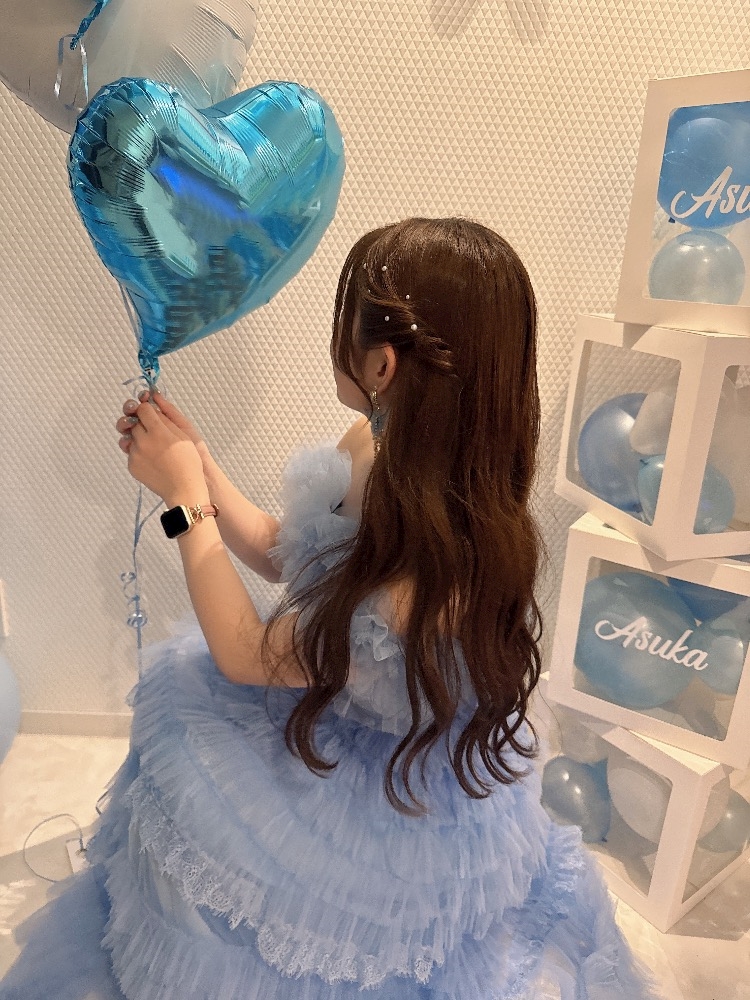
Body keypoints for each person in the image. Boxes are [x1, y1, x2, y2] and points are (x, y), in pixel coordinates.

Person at [0, 217, 658, 999]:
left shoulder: (419, 589)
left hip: (380, 797)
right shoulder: (379, 441)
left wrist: (184, 505)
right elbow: (288, 550)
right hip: (331, 697)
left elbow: (246, 653)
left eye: (345, 319)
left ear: (381, 363)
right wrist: (197, 462)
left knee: (194, 743)